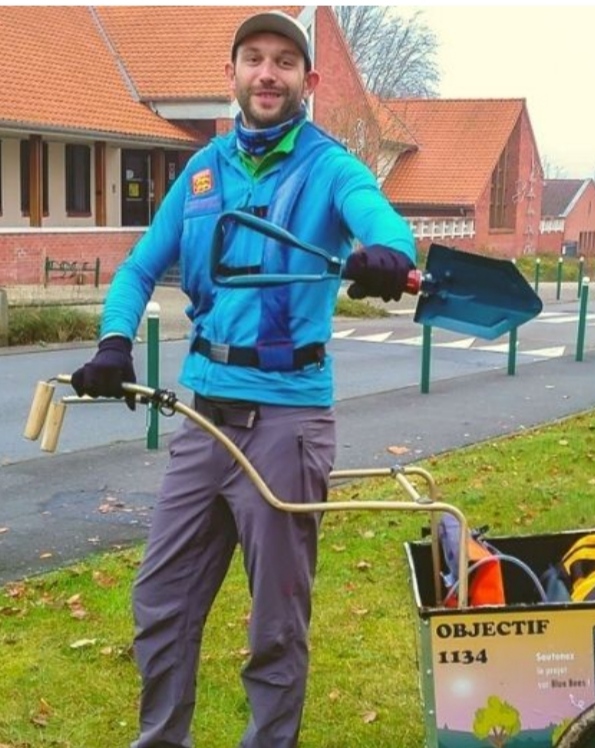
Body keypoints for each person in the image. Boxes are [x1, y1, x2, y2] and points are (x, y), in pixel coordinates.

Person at [70, 10, 416, 748]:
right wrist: (112, 341)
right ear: (231, 74)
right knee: (161, 601)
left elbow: (382, 221)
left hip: (287, 425)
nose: (267, 73)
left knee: (275, 625)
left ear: (307, 81)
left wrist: (386, 252)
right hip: (206, 419)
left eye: (284, 62)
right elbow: (139, 266)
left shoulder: (331, 168)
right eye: (254, 59)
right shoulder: (201, 173)